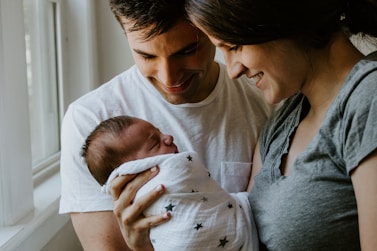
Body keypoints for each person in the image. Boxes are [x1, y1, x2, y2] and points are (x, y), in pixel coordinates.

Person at [59, 0, 273, 250]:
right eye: (146, 55)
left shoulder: (267, 100)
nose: (168, 77)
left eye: (186, 50)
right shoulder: (90, 120)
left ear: (213, 30)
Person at [183, 0, 377, 250]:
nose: (232, 70)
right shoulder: (282, 122)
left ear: (283, 20)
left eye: (234, 47)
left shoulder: (368, 98)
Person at [81, 115, 258, 250]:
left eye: (159, 132)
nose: (168, 137)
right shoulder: (84, 115)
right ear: (134, 170)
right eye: (154, 143)